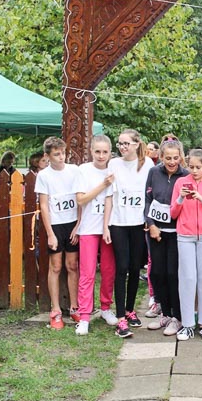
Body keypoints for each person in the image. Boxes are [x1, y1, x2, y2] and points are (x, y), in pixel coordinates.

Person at [170, 149, 202, 341]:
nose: (194, 171)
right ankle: (187, 324)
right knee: (187, 278)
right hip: (185, 235)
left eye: (198, 167)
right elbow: (173, 213)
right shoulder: (180, 182)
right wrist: (181, 198)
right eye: (191, 167)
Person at [106, 129, 155, 338]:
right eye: (120, 143)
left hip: (138, 222)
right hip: (119, 222)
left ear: (136, 144)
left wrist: (149, 220)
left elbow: (150, 195)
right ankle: (120, 318)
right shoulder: (114, 164)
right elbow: (110, 195)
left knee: (135, 267)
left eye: (126, 143)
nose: (122, 147)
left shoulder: (147, 164)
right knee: (122, 267)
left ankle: (130, 309)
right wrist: (106, 226)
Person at [35, 136, 82, 331]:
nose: (61, 157)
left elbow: (80, 198)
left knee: (72, 265)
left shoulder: (74, 171)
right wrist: (50, 233)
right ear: (48, 156)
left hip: (72, 223)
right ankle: (55, 310)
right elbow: (44, 206)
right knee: (55, 266)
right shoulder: (44, 176)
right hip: (55, 224)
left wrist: (78, 224)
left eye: (63, 153)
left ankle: (75, 306)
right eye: (56, 154)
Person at [144, 140, 188, 337]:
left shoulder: (185, 175)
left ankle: (177, 316)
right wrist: (151, 224)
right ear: (161, 157)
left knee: (173, 274)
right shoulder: (154, 172)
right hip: (156, 231)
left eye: (175, 158)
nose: (172, 162)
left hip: (177, 232)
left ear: (181, 157)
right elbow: (147, 200)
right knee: (157, 273)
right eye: (168, 158)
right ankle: (165, 313)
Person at [75, 135, 117, 335]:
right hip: (89, 228)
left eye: (105, 152)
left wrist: (107, 226)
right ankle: (84, 315)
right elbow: (81, 200)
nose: (101, 156)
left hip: (108, 228)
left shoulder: (114, 170)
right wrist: (103, 184)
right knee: (87, 272)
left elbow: (112, 199)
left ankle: (106, 307)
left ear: (110, 153)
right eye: (97, 151)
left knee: (108, 270)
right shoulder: (83, 170)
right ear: (91, 151)